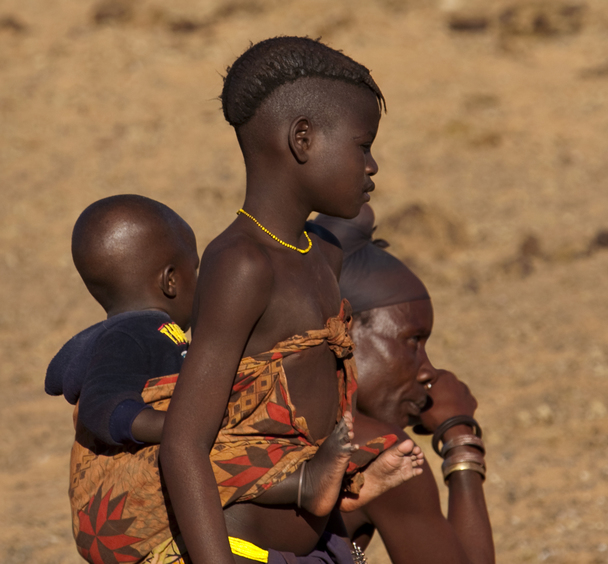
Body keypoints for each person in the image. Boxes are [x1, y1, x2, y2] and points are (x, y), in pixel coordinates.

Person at [159, 36, 423, 564]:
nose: (372, 167)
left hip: (320, 547)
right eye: (362, 145)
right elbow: (183, 444)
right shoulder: (242, 264)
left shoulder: (318, 253)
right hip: (243, 551)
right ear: (303, 139)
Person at [314, 205, 495, 564]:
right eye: (413, 341)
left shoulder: (259, 417)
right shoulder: (380, 450)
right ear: (346, 330)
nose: (428, 371)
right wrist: (460, 440)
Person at [45, 194, 198, 447]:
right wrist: (184, 427)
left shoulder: (133, 333)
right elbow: (102, 403)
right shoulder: (131, 336)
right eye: (194, 269)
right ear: (170, 281)